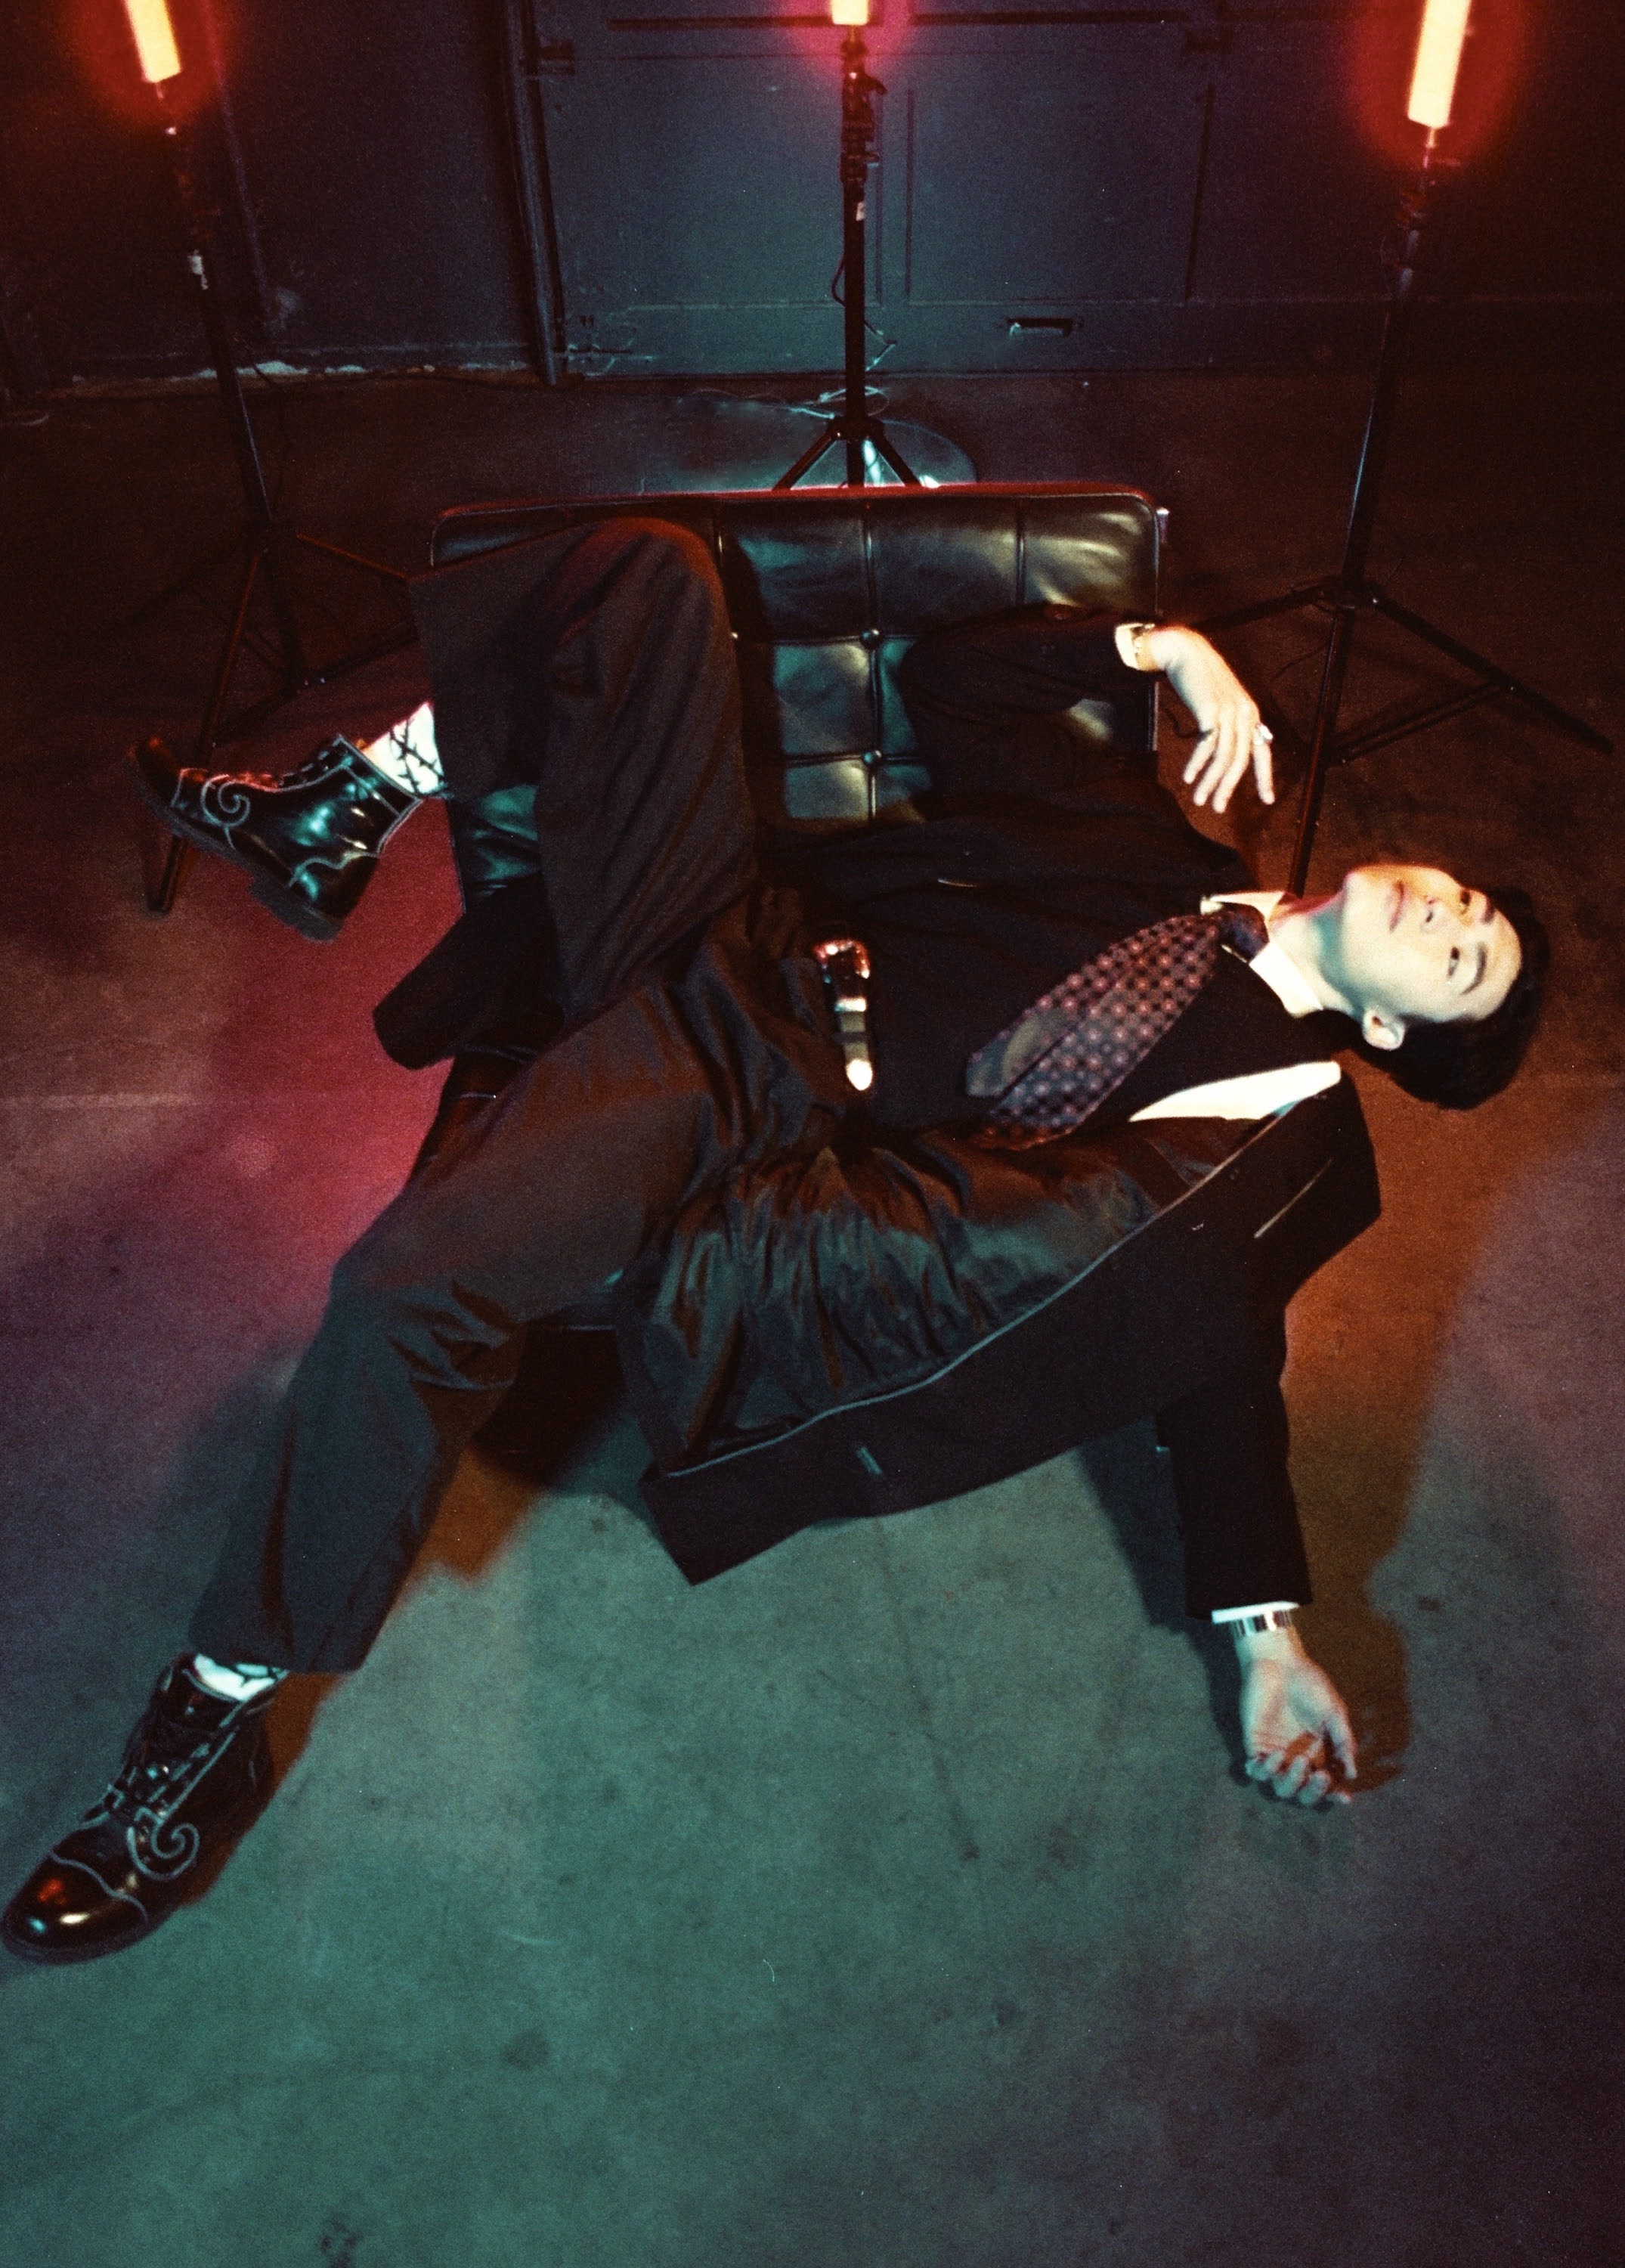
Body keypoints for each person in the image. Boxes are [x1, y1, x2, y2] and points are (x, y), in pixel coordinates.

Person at [2, 519, 1546, 1966]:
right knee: (650, 573)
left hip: (747, 1071)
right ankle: (344, 805)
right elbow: (960, 684)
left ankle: (209, 1711)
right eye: (1472, 900)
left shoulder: (1264, 1104)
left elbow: (1215, 1343)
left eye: (1465, 959)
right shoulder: (1164, 862)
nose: (1452, 912)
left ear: (1396, 1032)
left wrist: (1264, 1631)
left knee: (407, 1289)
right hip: (725, 913)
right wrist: (1162, 647)